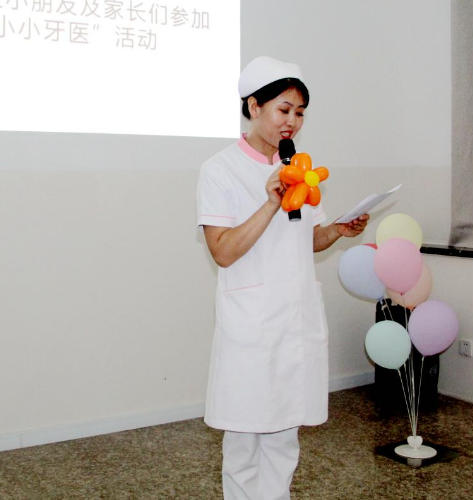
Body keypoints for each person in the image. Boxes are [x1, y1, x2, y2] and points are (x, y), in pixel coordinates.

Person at [196, 55, 369, 499]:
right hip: (251, 322)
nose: (292, 121)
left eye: (300, 113)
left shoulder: (301, 168)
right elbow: (223, 251)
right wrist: (271, 201)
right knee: (244, 437)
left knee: (285, 435)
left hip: (296, 318)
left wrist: (338, 230)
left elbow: (307, 239)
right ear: (254, 106)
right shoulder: (219, 170)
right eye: (284, 109)